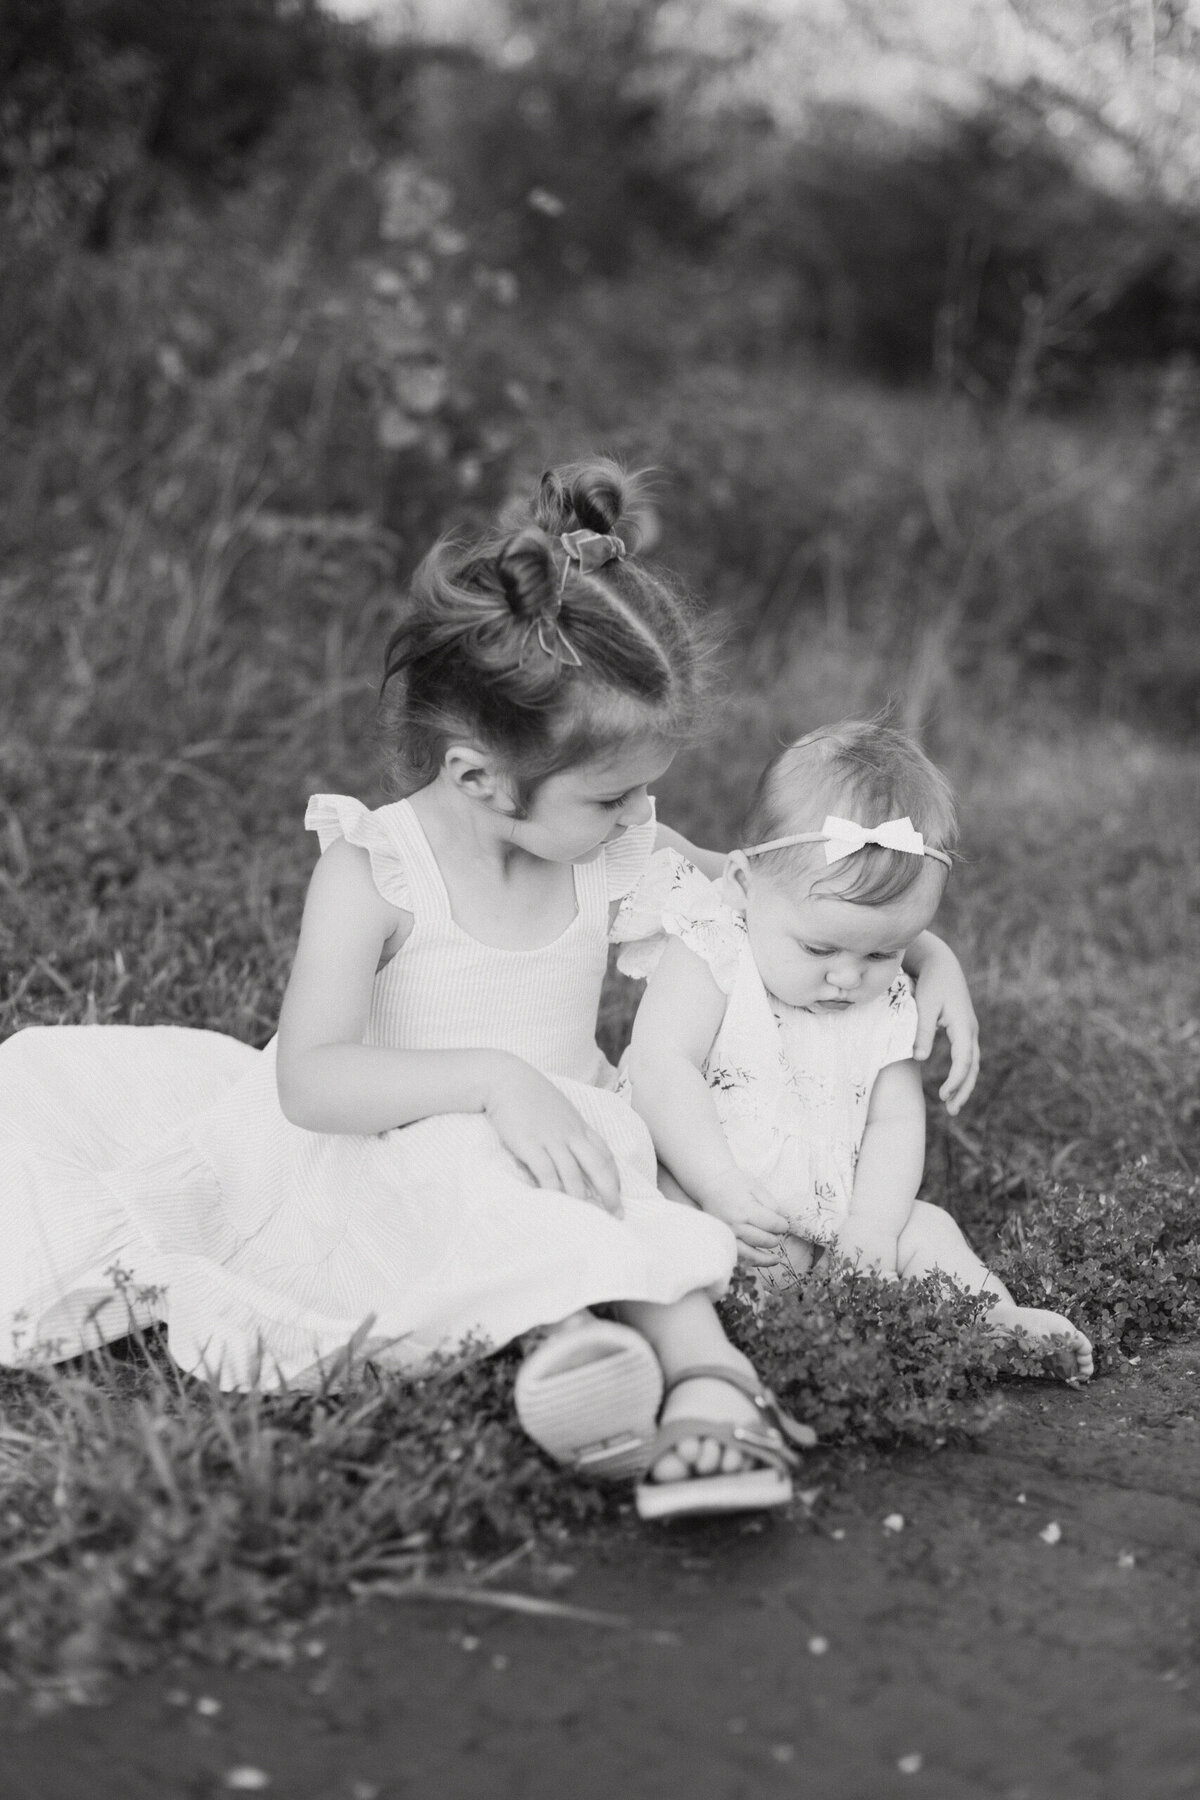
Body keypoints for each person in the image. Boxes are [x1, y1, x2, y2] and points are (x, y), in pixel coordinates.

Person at [0, 465, 981, 1522]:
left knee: (623, 1195)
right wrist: (494, 1081)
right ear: (478, 777)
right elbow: (310, 1080)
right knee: (489, 1178)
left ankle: (710, 1389)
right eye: (612, 793)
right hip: (393, 1141)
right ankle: (578, 1353)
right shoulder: (376, 869)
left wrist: (928, 957)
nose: (639, 813)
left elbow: (777, 892)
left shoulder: (608, 849)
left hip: (572, 1128)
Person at [616, 717, 1093, 1380]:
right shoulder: (711, 948)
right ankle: (697, 1350)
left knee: (924, 1229)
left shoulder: (886, 997)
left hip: (832, 1226)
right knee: (656, 1219)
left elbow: (895, 1118)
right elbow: (659, 1066)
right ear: (747, 887)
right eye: (818, 949)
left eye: (883, 952)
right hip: (712, 1196)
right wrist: (718, 1186)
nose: (847, 977)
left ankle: (995, 1318)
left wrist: (870, 1229)